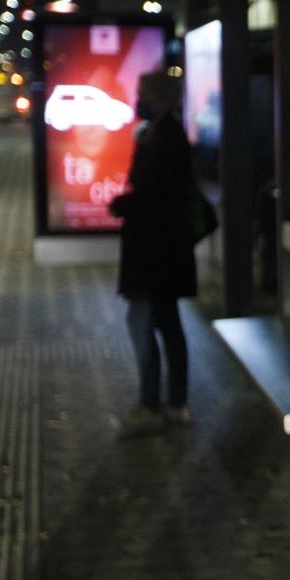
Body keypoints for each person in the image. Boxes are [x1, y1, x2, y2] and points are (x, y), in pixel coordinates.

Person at [107, 71, 197, 436]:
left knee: (142, 324)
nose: (137, 99)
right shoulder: (160, 131)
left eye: (142, 93)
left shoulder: (166, 136)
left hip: (154, 254)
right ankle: (174, 404)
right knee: (167, 326)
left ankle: (152, 405)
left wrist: (123, 204)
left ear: (157, 97)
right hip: (163, 253)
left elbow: (156, 195)